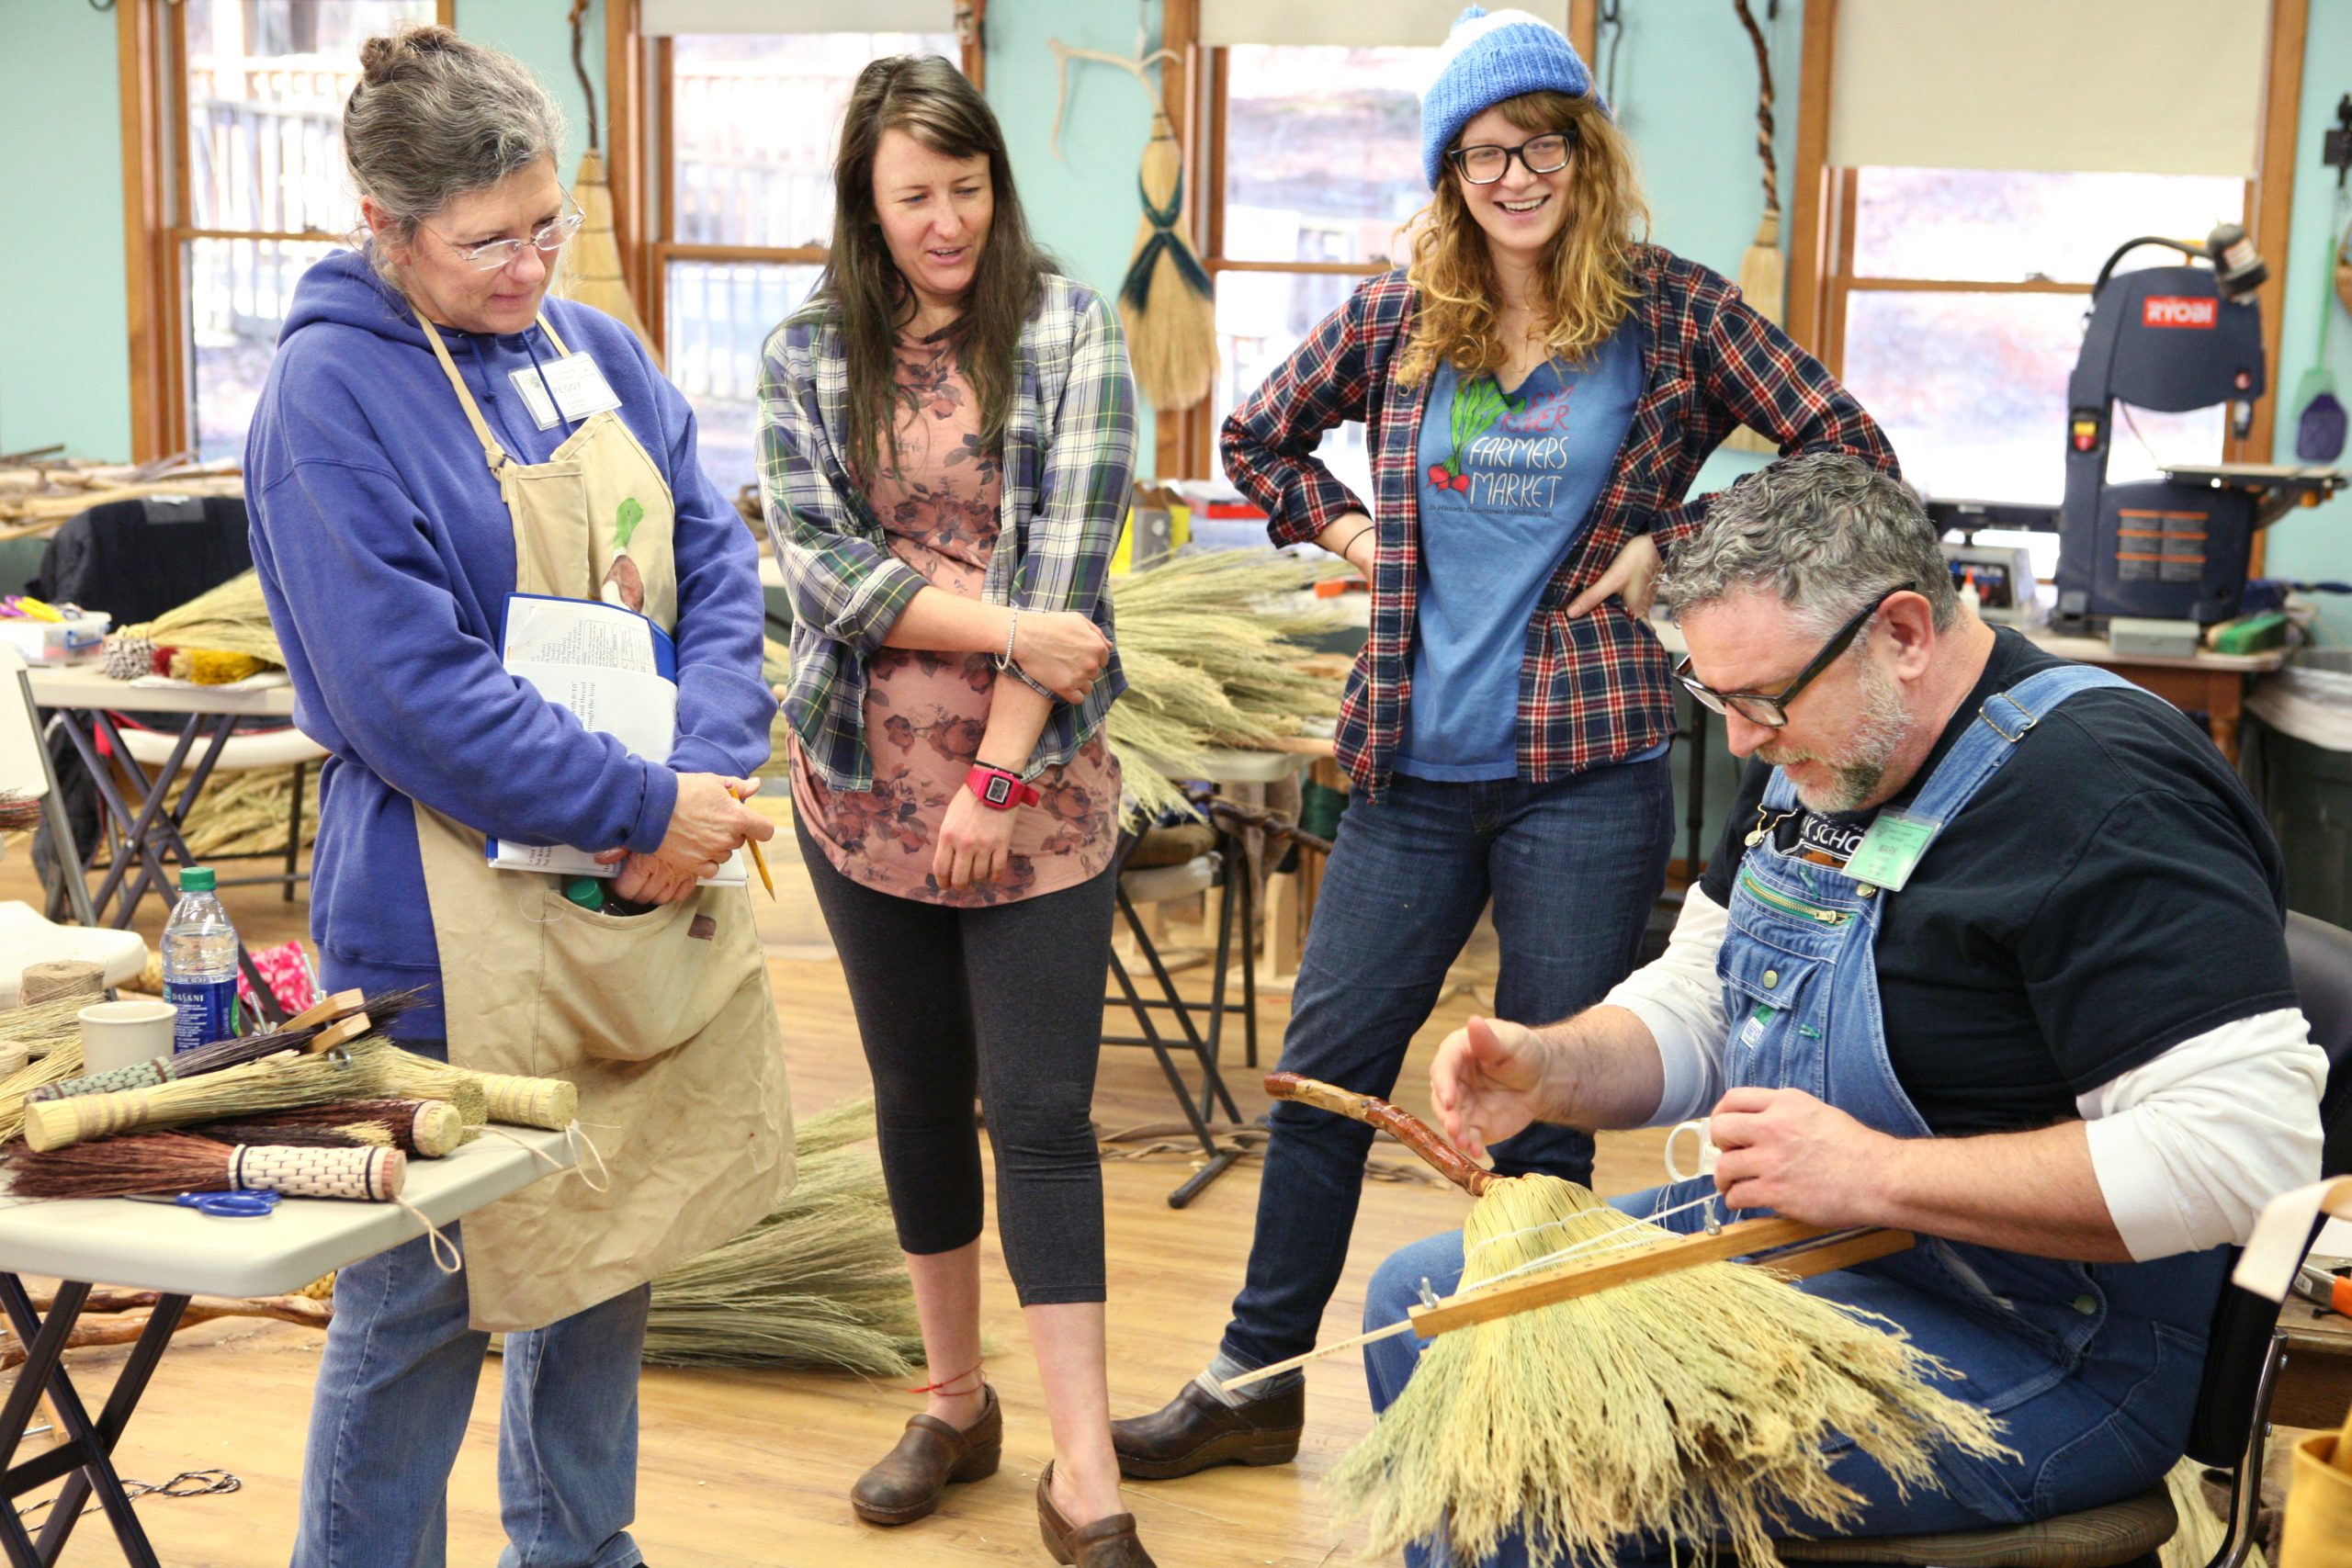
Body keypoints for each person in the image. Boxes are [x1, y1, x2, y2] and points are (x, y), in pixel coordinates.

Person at [1114, 6, 1897, 1475]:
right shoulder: (1409, 311)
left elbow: (1847, 447)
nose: (1513, 176)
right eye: (1481, 154)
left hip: (1585, 776)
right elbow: (1259, 433)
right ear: (1450, 173)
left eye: (1537, 142)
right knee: (1326, 1074)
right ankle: (1253, 1375)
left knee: (1549, 1096)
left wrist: (1687, 536)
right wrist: (1338, 525)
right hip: (1409, 769)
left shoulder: (1672, 312)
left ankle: (1524, 1399)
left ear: (1582, 150)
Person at [1363, 452, 2327, 1565]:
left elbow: (2246, 1155)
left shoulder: (2111, 795)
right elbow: (1705, 1000)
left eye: (1761, 697)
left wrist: (1869, 1172)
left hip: (2046, 1342)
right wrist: (1556, 1062)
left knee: (1550, 1452)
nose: (1740, 739)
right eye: (1712, 696)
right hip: (1821, 1251)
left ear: (1904, 635)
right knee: (1426, 1301)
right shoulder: (1828, 745)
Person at [244, 27, 789, 1568]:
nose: (530, 265)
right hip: (443, 921)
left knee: (605, 1243)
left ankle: (573, 1544)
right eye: (489, 242)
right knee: (426, 1291)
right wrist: (641, 804)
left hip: (635, 886)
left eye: (550, 225)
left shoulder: (590, 348)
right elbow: (406, 693)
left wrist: (704, 768)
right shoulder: (329, 401)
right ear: (385, 226)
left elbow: (715, 551)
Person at [758, 55, 1149, 1568]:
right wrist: (1011, 633)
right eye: (914, 194)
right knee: (916, 1101)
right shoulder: (808, 343)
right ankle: (953, 1398)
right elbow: (826, 574)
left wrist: (997, 771)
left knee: (1042, 1117)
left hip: (1034, 796)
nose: (947, 221)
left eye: (968, 188)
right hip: (856, 795)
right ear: (867, 198)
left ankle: (1089, 1473)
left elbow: (1073, 566)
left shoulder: (1064, 328)